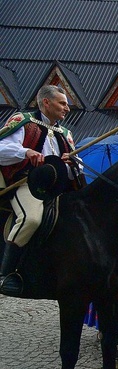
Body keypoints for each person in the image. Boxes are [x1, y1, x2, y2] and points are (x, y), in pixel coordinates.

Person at [0, 85, 78, 296]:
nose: (67, 109)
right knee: (31, 219)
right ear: (46, 102)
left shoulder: (65, 134)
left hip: (59, 189)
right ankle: (6, 274)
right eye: (62, 103)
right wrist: (25, 152)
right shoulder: (23, 121)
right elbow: (1, 150)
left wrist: (71, 163)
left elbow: (75, 170)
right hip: (28, 184)